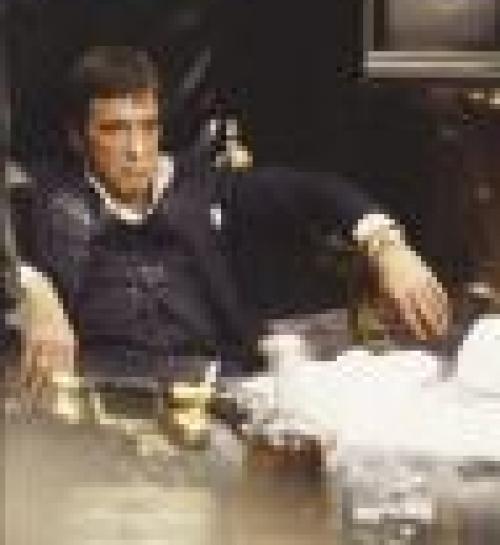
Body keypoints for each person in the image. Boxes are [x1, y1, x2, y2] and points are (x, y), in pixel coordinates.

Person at [13, 46, 449, 385]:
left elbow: (314, 190)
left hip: (215, 387)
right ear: (76, 137)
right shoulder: (45, 194)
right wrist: (34, 288)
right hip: (101, 395)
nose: (137, 149)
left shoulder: (200, 185)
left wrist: (387, 247)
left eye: (148, 126)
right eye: (114, 130)